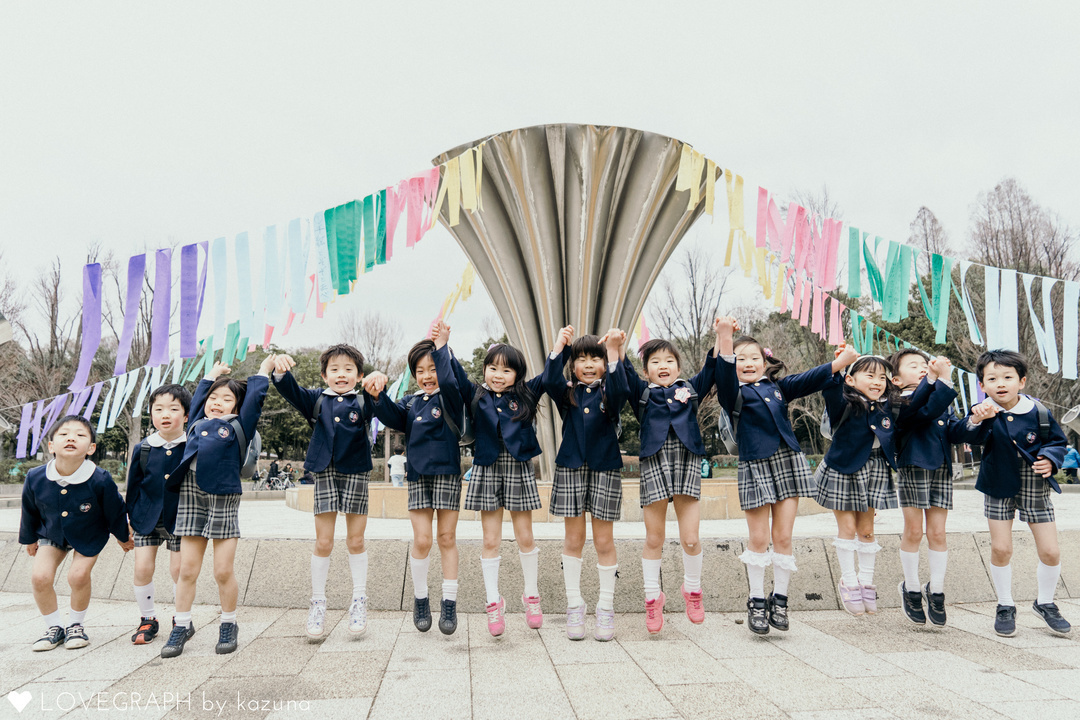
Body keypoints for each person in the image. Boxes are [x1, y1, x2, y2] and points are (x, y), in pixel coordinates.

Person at [716, 319, 856, 635]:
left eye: (754, 357)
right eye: (740, 358)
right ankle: (756, 601)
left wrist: (839, 363)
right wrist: (726, 337)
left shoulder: (778, 388)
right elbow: (723, 370)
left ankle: (780, 600)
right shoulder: (731, 393)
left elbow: (810, 379)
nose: (747, 363)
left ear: (766, 363)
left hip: (788, 462)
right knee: (759, 538)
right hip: (754, 464)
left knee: (783, 537)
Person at [161, 356, 275, 658]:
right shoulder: (197, 422)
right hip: (190, 495)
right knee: (186, 570)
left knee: (222, 570)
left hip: (223, 496)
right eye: (214, 398)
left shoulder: (240, 424)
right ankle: (182, 624)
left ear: (236, 407)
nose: (217, 402)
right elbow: (198, 398)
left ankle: (228, 622)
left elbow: (254, 400)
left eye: (226, 399)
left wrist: (262, 373)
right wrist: (212, 375)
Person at [956, 349, 1070, 637]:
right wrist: (976, 419)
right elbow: (961, 435)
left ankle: (1045, 602)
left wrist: (1050, 458)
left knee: (1051, 550)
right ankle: (1005, 604)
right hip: (997, 484)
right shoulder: (983, 411)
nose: (1000, 383)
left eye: (1008, 377)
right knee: (1001, 548)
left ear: (1022, 381)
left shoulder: (1038, 411)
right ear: (982, 385)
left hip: (1035, 484)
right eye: (992, 378)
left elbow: (1057, 441)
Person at [621, 321, 723, 634]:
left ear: (678, 366)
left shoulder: (689, 389)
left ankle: (693, 590)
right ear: (646, 370)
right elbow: (621, 370)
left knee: (691, 538)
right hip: (654, 462)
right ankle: (653, 599)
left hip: (687, 461)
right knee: (654, 538)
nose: (663, 366)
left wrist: (722, 335)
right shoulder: (642, 393)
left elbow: (713, 366)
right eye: (655, 362)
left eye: (669, 361)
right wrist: (616, 346)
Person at [446, 326, 549, 636]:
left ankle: (531, 595)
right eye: (493, 368)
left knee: (525, 537)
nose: (498, 374)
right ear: (485, 369)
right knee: (490, 540)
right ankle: (494, 602)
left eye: (506, 369)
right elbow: (453, 376)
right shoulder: (477, 395)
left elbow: (549, 376)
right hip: (487, 467)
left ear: (517, 375)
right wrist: (443, 345)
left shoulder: (525, 395)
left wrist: (558, 347)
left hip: (518, 467)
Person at [814, 351, 933, 616]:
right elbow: (830, 386)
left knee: (866, 531)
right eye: (869, 375)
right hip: (843, 469)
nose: (877, 381)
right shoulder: (842, 402)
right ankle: (849, 580)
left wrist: (934, 377)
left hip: (876, 468)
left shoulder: (891, 405)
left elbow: (920, 401)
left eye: (882, 376)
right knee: (847, 528)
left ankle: (866, 580)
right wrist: (841, 362)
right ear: (851, 379)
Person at [271, 345, 376, 640]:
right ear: (324, 374)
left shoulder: (365, 399)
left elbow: (386, 406)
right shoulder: (316, 399)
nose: (341, 374)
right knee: (324, 541)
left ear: (359, 375)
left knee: (355, 540)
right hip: (325, 470)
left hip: (356, 469)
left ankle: (359, 600)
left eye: (348, 369)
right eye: (334, 369)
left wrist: (378, 382)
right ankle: (318, 603)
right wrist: (279, 370)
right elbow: (289, 389)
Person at [364, 330, 464, 635]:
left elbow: (449, 379)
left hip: (447, 473)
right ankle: (420, 599)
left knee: (446, 538)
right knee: (422, 540)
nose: (427, 376)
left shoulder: (452, 395)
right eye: (420, 371)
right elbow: (391, 415)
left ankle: (449, 602)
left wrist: (443, 347)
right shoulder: (410, 402)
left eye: (432, 368)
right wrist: (377, 392)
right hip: (418, 476)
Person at [542, 326, 628, 641]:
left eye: (596, 358)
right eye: (581, 359)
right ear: (573, 365)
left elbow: (621, 389)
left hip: (605, 468)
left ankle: (606, 607)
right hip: (571, 468)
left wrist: (616, 350)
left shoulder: (611, 392)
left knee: (604, 542)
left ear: (605, 364)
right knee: (573, 539)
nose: (589, 364)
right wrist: (560, 346)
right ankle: (574, 604)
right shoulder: (568, 393)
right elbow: (550, 379)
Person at [20, 415, 133, 651]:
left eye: (80, 435)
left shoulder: (100, 478)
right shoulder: (36, 477)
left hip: (89, 533)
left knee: (78, 575)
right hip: (52, 533)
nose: (71, 438)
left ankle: (76, 626)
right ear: (51, 445)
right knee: (40, 577)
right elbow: (29, 510)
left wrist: (123, 536)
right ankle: (54, 628)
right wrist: (29, 538)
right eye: (63, 434)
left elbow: (115, 511)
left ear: (91, 448)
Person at [887, 349, 962, 628]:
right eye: (913, 365)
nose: (922, 368)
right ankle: (912, 587)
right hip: (912, 465)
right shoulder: (895, 400)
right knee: (914, 531)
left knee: (938, 532)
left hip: (941, 466)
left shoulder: (939, 396)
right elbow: (920, 411)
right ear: (895, 379)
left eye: (924, 364)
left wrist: (977, 419)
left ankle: (938, 590)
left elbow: (954, 430)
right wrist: (938, 380)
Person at [126, 383, 192, 645]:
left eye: (174, 409)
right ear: (151, 413)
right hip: (146, 519)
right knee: (142, 567)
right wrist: (129, 521)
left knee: (179, 570)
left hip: (181, 519)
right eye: (159, 409)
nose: (165, 414)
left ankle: (181, 618)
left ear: (186, 416)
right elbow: (133, 487)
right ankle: (148, 618)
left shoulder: (191, 445)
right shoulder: (143, 448)